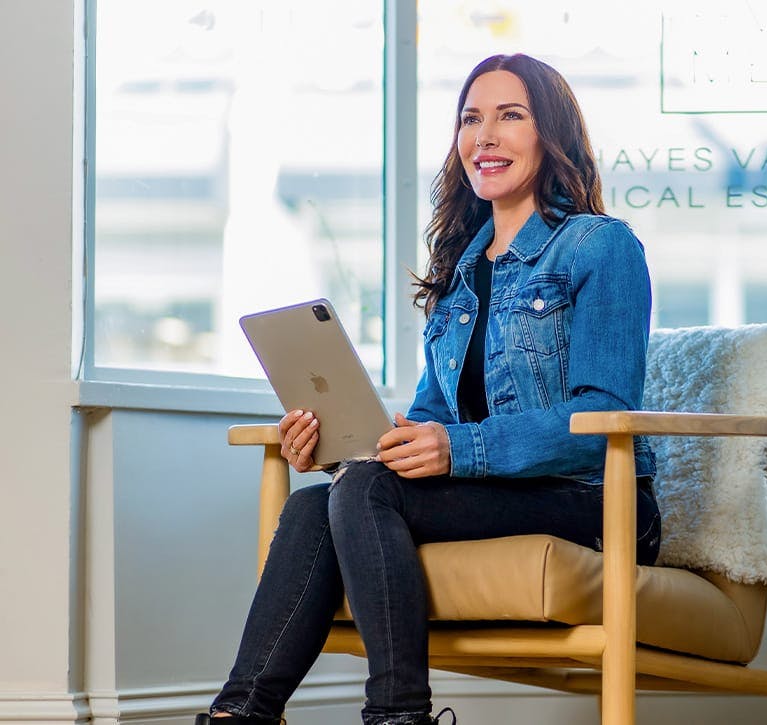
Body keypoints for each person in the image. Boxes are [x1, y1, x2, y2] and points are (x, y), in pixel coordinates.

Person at [196, 53, 659, 725]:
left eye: (510, 116)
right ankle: (240, 713)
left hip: (600, 501)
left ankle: (397, 715)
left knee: (361, 490)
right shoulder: (460, 277)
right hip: (503, 495)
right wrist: (343, 442)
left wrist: (457, 449)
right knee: (315, 501)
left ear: (550, 132)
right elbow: (432, 420)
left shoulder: (600, 247)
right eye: (471, 118)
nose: (485, 136)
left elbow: (602, 415)